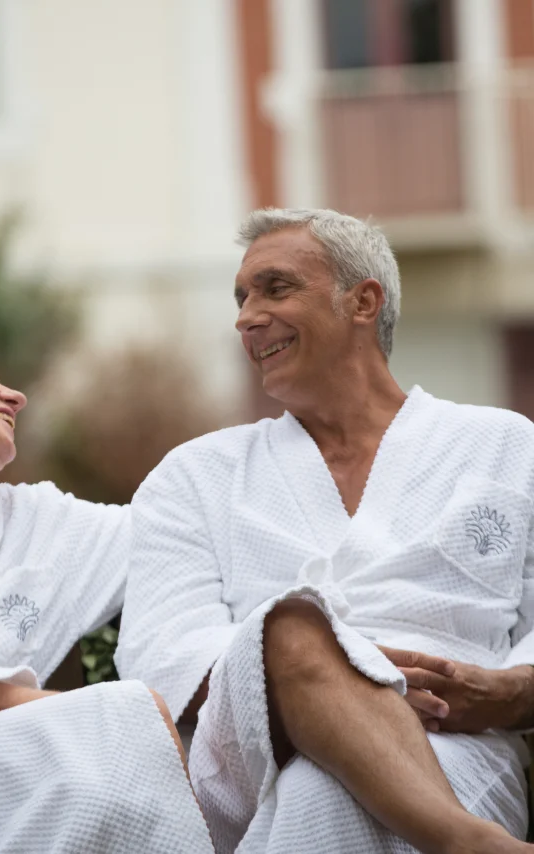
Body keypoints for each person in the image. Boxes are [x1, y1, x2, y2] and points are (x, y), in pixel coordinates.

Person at [117, 208, 534, 854]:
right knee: (287, 633)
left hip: (457, 749)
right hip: (259, 757)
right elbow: (162, 655)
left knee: (318, 792)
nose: (246, 317)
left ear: (363, 301)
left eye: (275, 288)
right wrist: (336, 672)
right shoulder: (194, 476)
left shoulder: (503, 446)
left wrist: (508, 690)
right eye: (241, 298)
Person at [0, 323, 213, 854]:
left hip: (5, 783)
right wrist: (56, 712)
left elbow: (164, 536)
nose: (14, 395)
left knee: (126, 728)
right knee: (126, 720)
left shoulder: (27, 524)